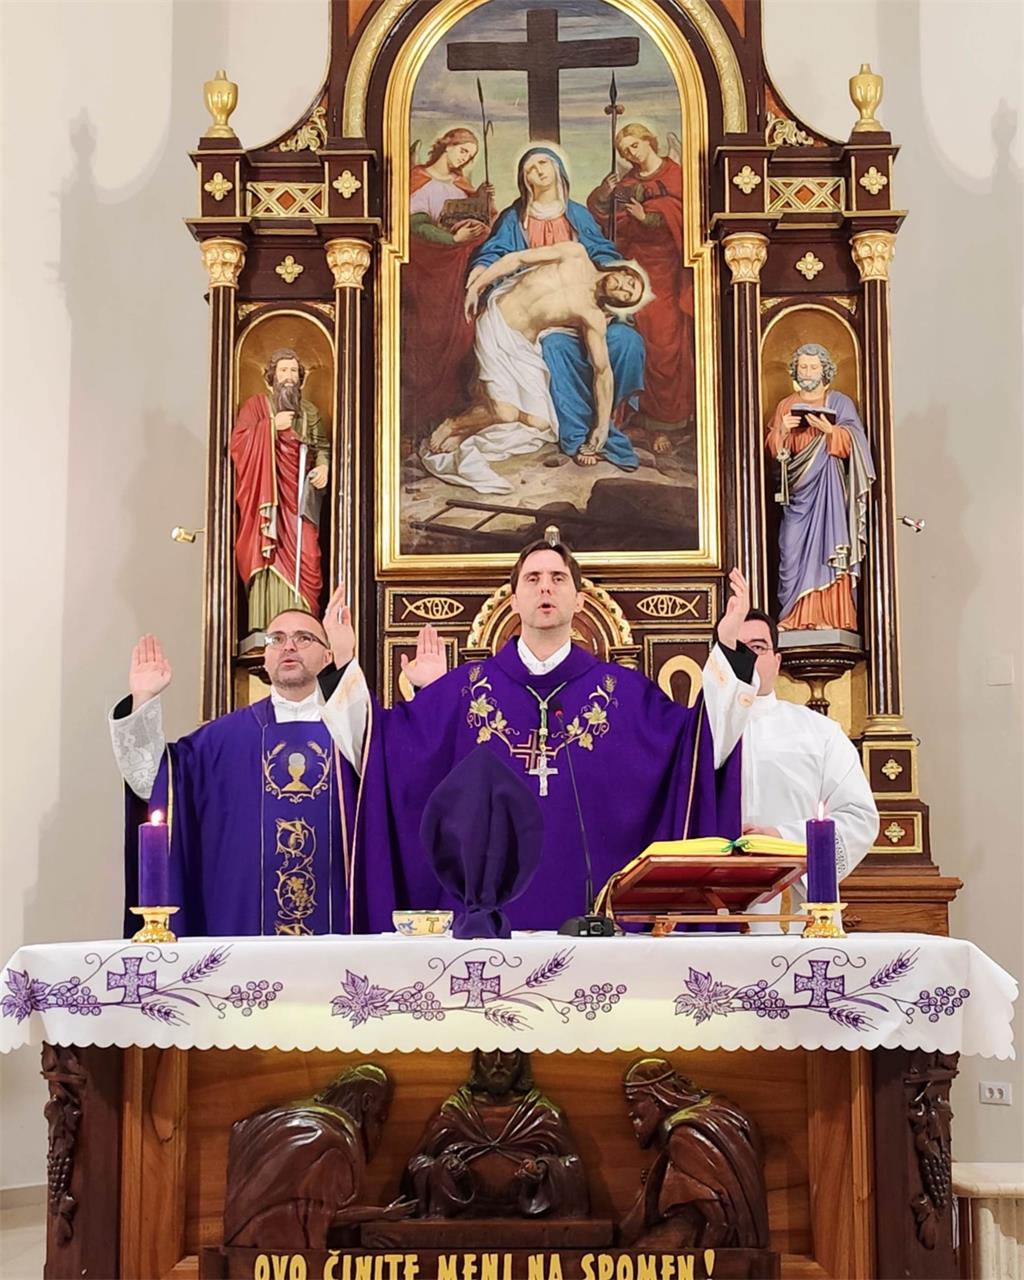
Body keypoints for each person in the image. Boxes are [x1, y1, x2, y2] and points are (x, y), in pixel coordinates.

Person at [322, 541, 760, 931]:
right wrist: (342, 660)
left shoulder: (624, 693)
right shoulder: (463, 690)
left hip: (600, 930)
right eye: (532, 579)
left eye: (558, 578)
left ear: (580, 600)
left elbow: (699, 746)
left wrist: (727, 649)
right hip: (485, 935)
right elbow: (380, 749)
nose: (545, 587)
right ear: (513, 600)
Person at [109, 613, 440, 936]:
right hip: (244, 931)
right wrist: (143, 700)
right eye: (276, 639)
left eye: (304, 638)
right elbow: (153, 780)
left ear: (328, 655)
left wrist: (433, 694)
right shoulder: (223, 740)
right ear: (265, 660)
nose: (288, 646)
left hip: (347, 927)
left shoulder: (359, 732)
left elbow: (416, 775)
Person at [462, 147, 646, 471]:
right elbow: (502, 254)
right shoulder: (517, 218)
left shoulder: (578, 216)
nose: (539, 171)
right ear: (524, 179)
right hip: (535, 319)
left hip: (582, 309)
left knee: (627, 342)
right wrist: (478, 279)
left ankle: (608, 424)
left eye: (544, 163)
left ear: (558, 168)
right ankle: (573, 435)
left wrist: (612, 279)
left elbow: (603, 251)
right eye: (531, 168)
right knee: (556, 348)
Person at [421, 242, 649, 492]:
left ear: (620, 303)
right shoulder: (575, 253)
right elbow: (518, 259)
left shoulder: (592, 315)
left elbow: (602, 372)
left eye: (627, 295)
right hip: (497, 326)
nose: (623, 289)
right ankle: (453, 425)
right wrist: (477, 286)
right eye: (629, 283)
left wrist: (602, 427)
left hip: (522, 348)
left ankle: (464, 433)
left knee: (540, 423)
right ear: (623, 271)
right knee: (505, 414)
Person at [721, 608, 879, 930]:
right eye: (735, 648)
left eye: (758, 647)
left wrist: (783, 839)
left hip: (797, 910)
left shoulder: (820, 733)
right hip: (712, 906)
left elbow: (859, 817)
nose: (747, 658)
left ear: (777, 661)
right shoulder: (697, 734)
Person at [587, 123, 694, 452]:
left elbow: (686, 214)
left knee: (665, 345)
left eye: (634, 146)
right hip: (633, 271)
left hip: (667, 271)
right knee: (640, 344)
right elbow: (607, 219)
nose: (630, 154)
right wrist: (603, 195)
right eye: (624, 151)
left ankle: (666, 424)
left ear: (649, 141)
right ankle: (638, 420)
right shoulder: (628, 183)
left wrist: (648, 216)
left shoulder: (676, 174)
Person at [223, 1064, 410, 1248]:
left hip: (244, 1250)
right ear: (366, 1102)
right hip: (278, 1254)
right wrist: (381, 1213)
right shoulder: (334, 1145)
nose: (378, 1133)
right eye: (380, 1117)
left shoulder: (274, 1121)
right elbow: (325, 1216)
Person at [765, 343, 875, 631]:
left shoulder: (840, 402)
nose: (808, 372)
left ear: (824, 370)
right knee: (791, 547)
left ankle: (832, 617)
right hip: (798, 491)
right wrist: (783, 429)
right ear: (795, 370)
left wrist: (830, 430)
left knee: (829, 544)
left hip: (829, 490)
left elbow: (856, 445)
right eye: (803, 367)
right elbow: (775, 451)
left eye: (813, 367)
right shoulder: (786, 405)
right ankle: (793, 616)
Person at [403, 1049, 587, 1219]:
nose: (498, 1062)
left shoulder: (543, 1114)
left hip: (530, 1222)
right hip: (462, 1221)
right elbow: (417, 1165)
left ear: (522, 1061)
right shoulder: (453, 1112)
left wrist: (544, 1170)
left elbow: (572, 1166)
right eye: (489, 1052)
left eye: (508, 1052)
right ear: (477, 1060)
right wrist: (445, 1169)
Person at [231, 348, 331, 635]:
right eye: (283, 370)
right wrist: (272, 427)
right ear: (272, 376)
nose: (288, 377)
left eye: (294, 371)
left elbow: (322, 447)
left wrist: (323, 466)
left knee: (308, 554)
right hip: (266, 496)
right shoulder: (255, 407)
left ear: (300, 378)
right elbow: (238, 444)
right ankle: (265, 626)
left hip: (300, 499)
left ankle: (304, 627)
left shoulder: (309, 412)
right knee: (268, 550)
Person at [619, 1057, 769, 1249]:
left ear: (658, 1098)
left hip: (715, 1249)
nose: (630, 1112)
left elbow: (718, 1221)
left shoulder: (684, 1137)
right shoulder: (719, 1112)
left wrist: (702, 1261)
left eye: (634, 1102)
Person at [404, 128, 494, 432]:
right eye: (463, 150)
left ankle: (450, 411)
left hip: (457, 272)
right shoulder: (418, 178)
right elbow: (416, 226)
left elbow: (481, 221)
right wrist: (453, 238)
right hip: (427, 272)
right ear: (447, 144)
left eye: (470, 155)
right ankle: (419, 422)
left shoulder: (461, 186)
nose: (465, 158)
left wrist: (482, 203)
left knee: (461, 336)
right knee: (425, 338)